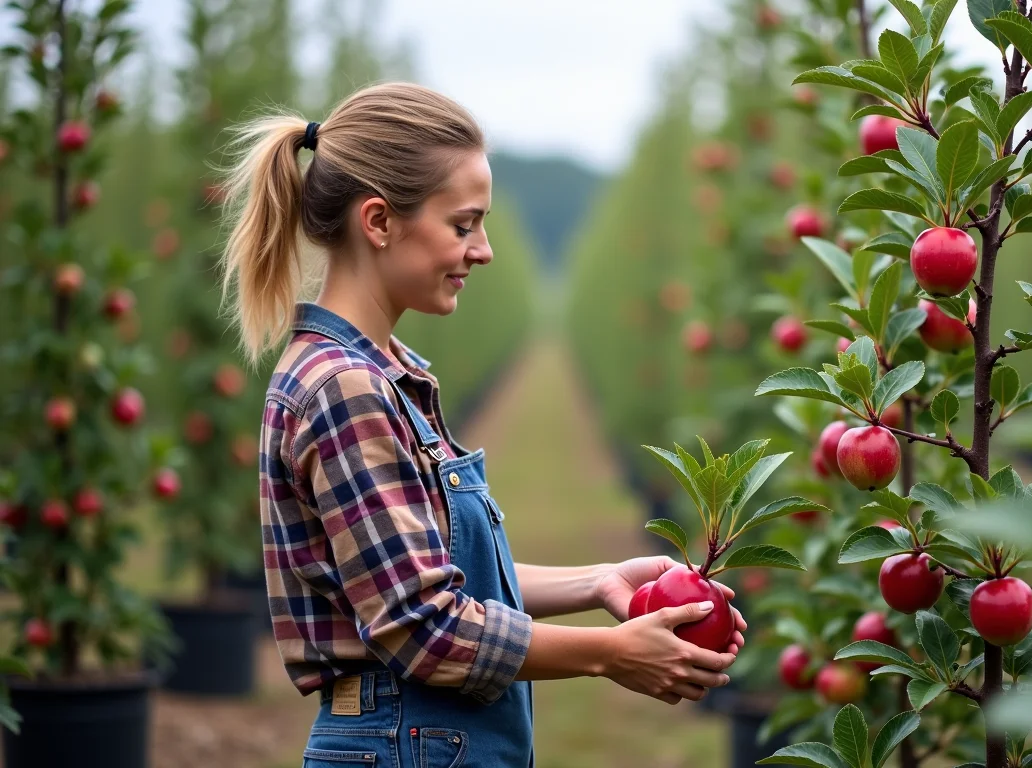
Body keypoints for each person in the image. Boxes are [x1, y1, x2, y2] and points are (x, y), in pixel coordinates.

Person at [217, 82, 746, 767]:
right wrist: (608, 655)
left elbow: (426, 578)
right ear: (378, 222)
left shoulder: (385, 373)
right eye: (463, 224)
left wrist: (598, 581)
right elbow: (424, 628)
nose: (483, 249)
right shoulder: (344, 388)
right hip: (403, 740)